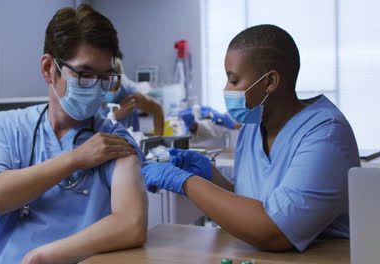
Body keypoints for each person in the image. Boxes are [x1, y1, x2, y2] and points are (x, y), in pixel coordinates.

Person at [142, 24, 360, 252]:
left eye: (234, 81)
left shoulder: (325, 133)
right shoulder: (253, 127)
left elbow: (274, 231)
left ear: (270, 81)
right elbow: (251, 201)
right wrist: (210, 176)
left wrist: (185, 182)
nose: (226, 89)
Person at [0, 5, 147, 263]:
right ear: (48, 68)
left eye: (105, 78)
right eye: (85, 75)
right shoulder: (7, 126)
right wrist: (76, 158)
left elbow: (131, 223)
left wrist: (42, 256)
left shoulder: (114, 142)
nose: (96, 88)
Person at [100, 57, 164, 136]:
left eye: (116, 82)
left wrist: (158, 143)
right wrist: (113, 116)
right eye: (108, 83)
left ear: (121, 77)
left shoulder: (130, 96)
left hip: (130, 145)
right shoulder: (91, 99)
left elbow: (158, 109)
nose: (112, 88)